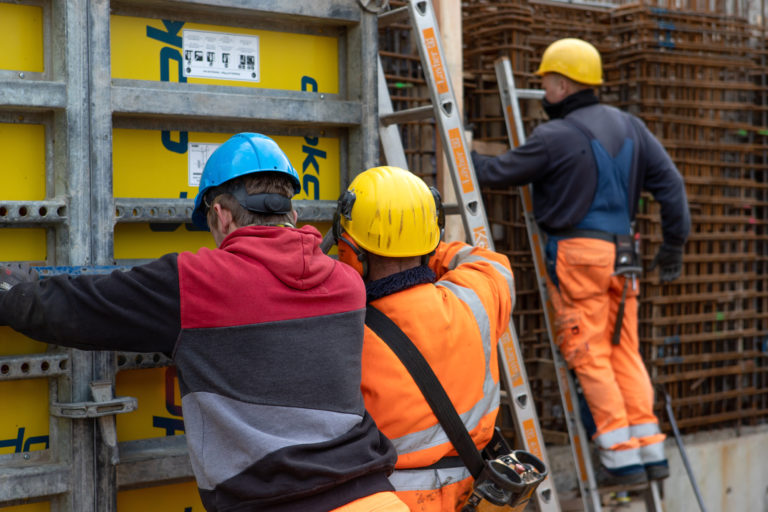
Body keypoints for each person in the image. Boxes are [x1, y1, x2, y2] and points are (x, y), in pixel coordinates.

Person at [0, 133, 409, 512]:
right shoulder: (348, 284)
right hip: (378, 498)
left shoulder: (196, 282)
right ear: (292, 211)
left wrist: (12, 292)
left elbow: (77, 309)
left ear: (221, 215)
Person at [471, 38, 691, 486]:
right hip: (624, 257)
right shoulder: (631, 127)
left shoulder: (556, 135)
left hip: (580, 257)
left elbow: (495, 173)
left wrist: (460, 152)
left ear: (563, 83)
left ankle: (621, 460)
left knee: (589, 355)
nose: (544, 89)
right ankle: (649, 452)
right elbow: (672, 186)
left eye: (548, 80)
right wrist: (674, 245)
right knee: (624, 351)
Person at [332, 165, 516, 511]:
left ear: (351, 248)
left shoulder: (345, 334)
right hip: (474, 495)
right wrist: (428, 247)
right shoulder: (476, 300)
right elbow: (491, 264)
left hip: (391, 500)